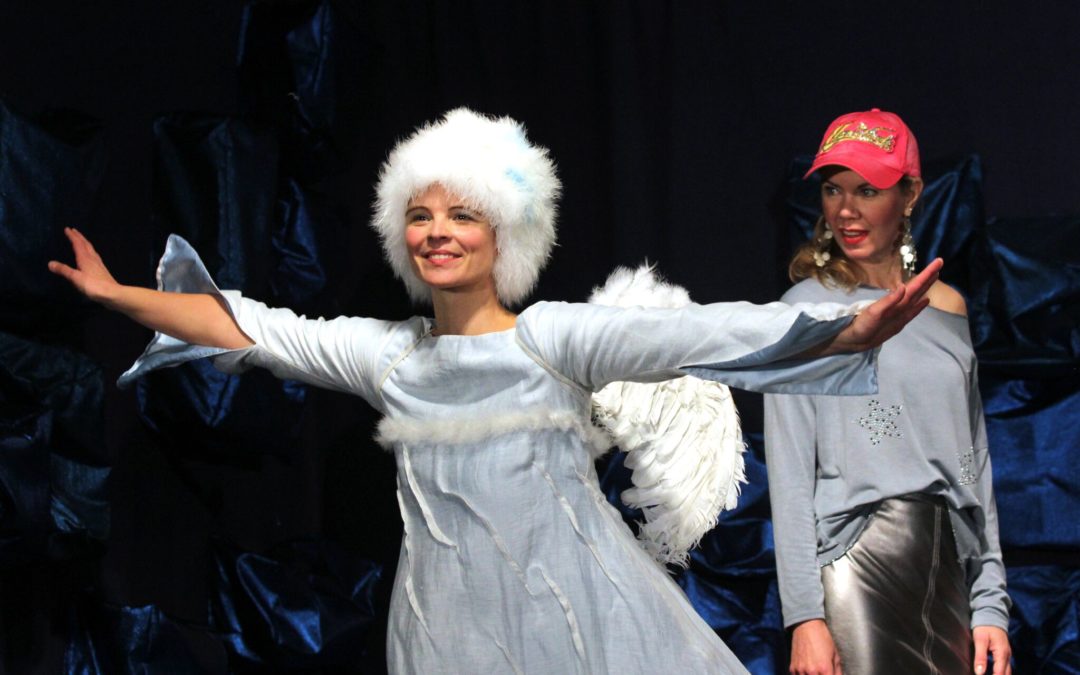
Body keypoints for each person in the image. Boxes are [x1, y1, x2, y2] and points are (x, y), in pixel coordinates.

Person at [50, 108, 941, 674]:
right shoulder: (387, 357)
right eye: (422, 215)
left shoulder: (550, 337)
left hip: (582, 615)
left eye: (462, 213)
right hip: (451, 635)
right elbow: (246, 327)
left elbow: (698, 332)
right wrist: (115, 294)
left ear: (500, 233)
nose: (439, 232)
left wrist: (848, 329)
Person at [764, 109, 1012, 675]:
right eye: (833, 189)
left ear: (910, 194)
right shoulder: (803, 313)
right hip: (856, 568)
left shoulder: (948, 309)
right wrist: (804, 617)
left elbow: (975, 465)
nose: (845, 210)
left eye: (868, 190)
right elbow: (790, 475)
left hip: (949, 570)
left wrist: (990, 602)